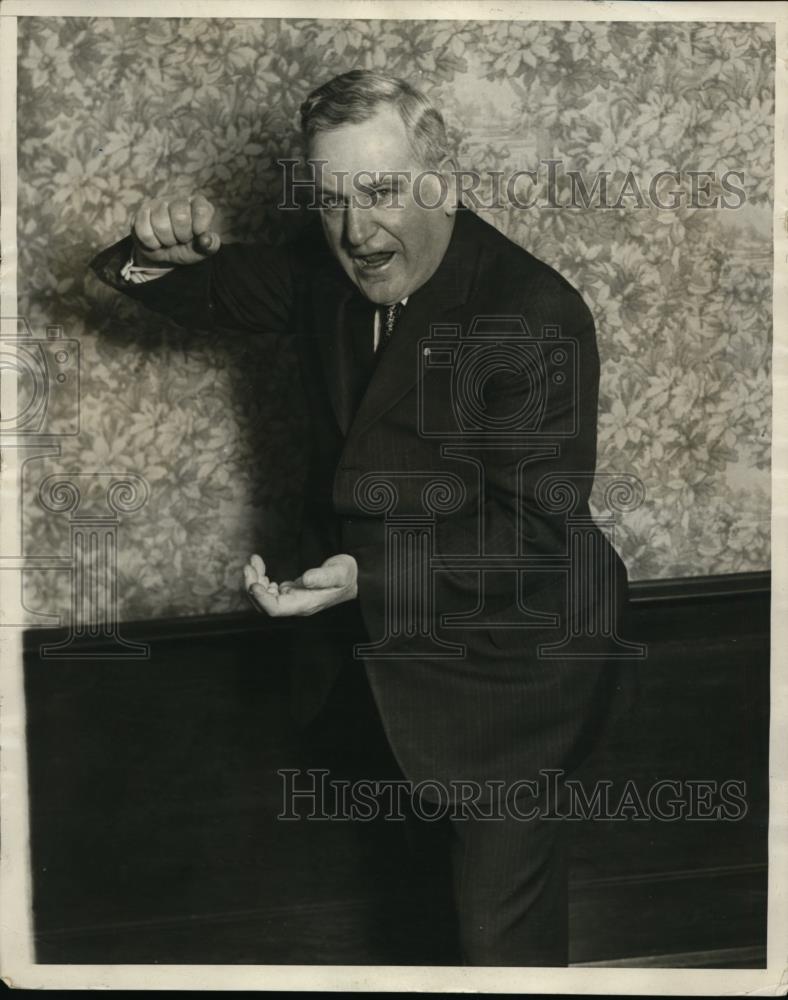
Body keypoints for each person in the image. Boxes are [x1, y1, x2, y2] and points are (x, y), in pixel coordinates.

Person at [90, 69, 632, 966]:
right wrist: (155, 246)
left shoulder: (532, 315)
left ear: (442, 181)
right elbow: (187, 288)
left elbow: (536, 536)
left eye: (380, 192)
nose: (354, 231)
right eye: (332, 199)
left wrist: (358, 575)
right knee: (423, 910)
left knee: (499, 940)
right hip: (390, 660)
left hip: (517, 668)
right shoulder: (322, 266)